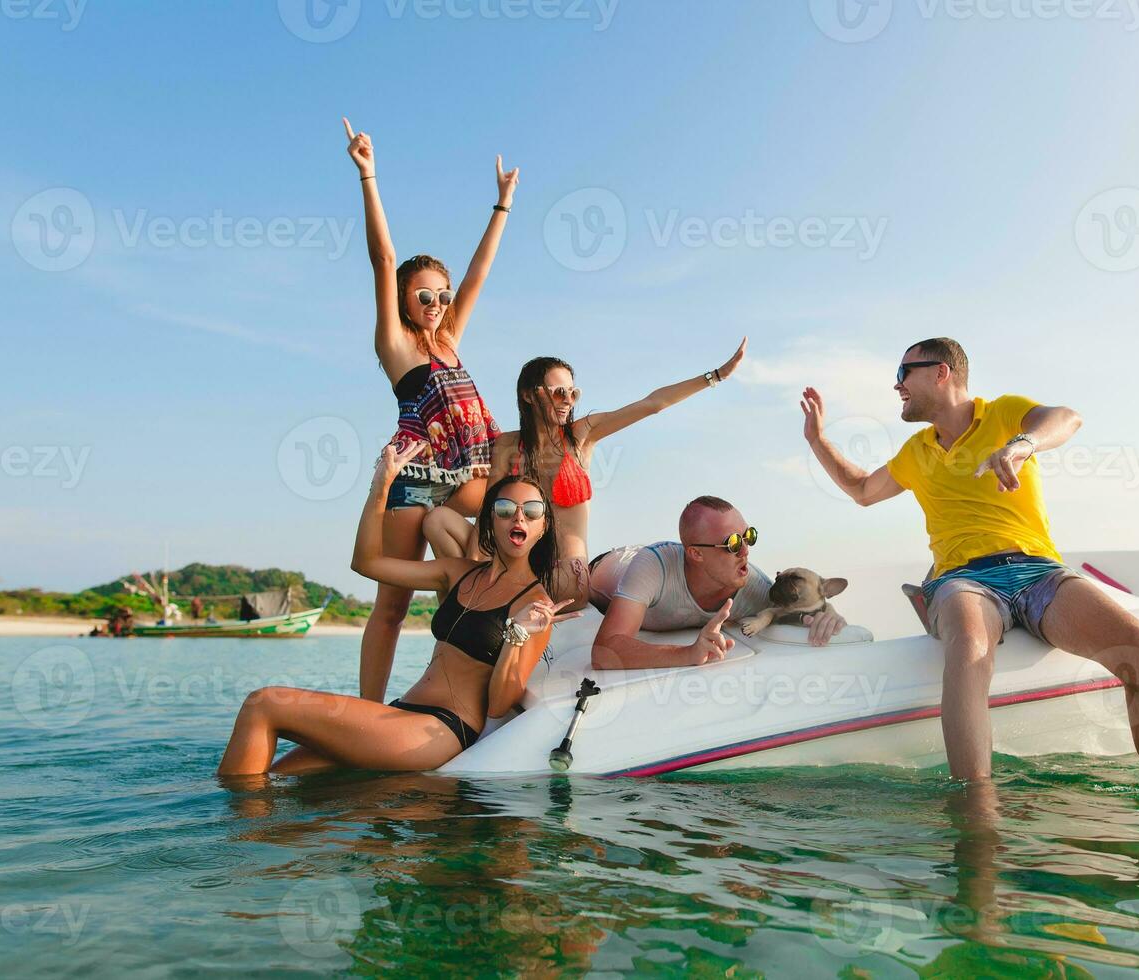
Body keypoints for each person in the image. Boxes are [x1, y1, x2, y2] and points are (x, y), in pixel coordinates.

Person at [800, 337, 1139, 788]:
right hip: (963, 579)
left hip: (1038, 571)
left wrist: (1021, 446)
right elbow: (862, 490)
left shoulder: (1004, 413)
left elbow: (1068, 418)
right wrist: (817, 439)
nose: (896, 386)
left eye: (903, 373)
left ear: (941, 372)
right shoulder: (916, 452)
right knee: (969, 649)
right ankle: (978, 824)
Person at [221, 443, 579, 777]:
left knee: (263, 704)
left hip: (439, 729)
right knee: (277, 776)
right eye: (505, 509)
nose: (519, 517)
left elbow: (499, 705)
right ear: (490, 521)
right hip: (399, 711)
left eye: (531, 511)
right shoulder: (457, 573)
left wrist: (516, 635)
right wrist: (381, 487)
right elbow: (367, 563)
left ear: (542, 526)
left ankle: (232, 842)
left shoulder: (535, 606)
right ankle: (246, 832)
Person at [344, 117, 518, 705]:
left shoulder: (451, 340)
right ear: (404, 300)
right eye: (425, 296)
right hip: (414, 478)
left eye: (442, 296)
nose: (438, 304)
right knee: (390, 605)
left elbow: (479, 276)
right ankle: (370, 711)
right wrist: (369, 175)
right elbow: (382, 256)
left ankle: (473, 673)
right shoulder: (395, 347)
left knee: (503, 528)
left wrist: (501, 207)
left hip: (464, 476)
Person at [423, 341, 748, 608]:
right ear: (528, 395)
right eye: (557, 392)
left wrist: (715, 376)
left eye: (572, 393)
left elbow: (653, 404)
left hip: (564, 572)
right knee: (437, 520)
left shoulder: (582, 435)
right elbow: (486, 515)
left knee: (549, 580)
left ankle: (478, 598)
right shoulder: (508, 445)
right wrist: (476, 568)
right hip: (511, 561)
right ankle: (465, 604)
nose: (567, 401)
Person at [588, 495, 849, 670]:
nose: (745, 550)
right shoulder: (653, 566)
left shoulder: (753, 588)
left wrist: (830, 614)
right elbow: (603, 652)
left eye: (749, 536)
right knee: (574, 583)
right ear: (696, 554)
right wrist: (686, 654)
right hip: (605, 569)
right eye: (732, 543)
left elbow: (794, 608)